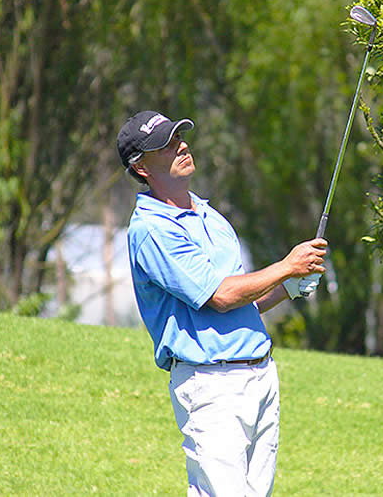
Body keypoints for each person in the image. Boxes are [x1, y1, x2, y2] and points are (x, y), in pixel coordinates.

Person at [116, 110, 326, 496]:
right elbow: (221, 295)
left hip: (260, 375)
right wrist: (285, 265)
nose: (181, 145)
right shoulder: (151, 230)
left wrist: (291, 284)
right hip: (210, 384)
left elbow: (243, 300)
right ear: (141, 167)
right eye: (165, 144)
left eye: (179, 136)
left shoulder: (209, 215)